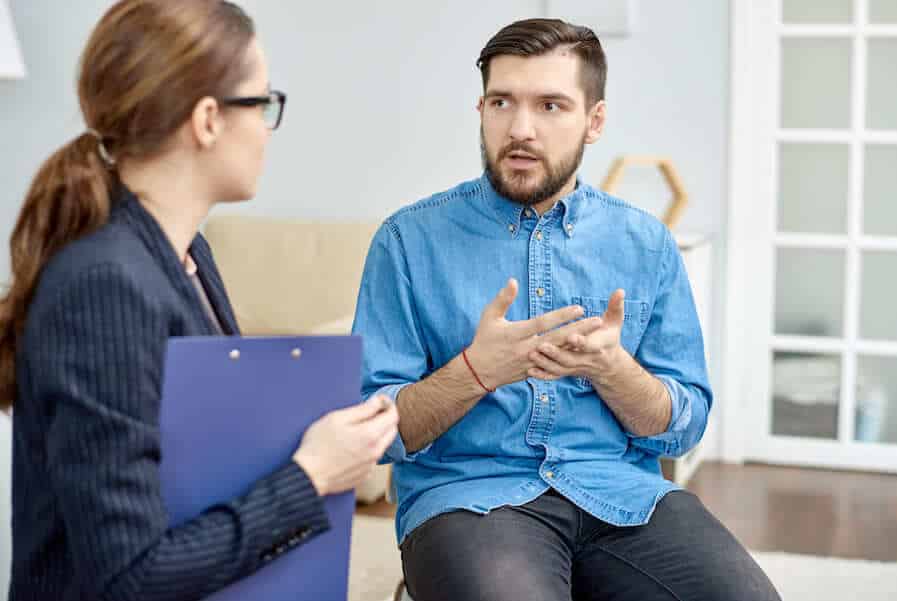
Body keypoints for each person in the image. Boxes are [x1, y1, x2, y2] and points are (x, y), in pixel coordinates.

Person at [353, 18, 780, 601]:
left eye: (550, 106)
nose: (520, 129)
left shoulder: (646, 244)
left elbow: (684, 427)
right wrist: (475, 372)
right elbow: (373, 430)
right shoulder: (407, 241)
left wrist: (613, 371)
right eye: (502, 102)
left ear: (594, 121)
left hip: (620, 495)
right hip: (471, 498)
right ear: (481, 109)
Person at [0, 2, 398, 599]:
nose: (267, 128)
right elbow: (130, 576)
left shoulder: (190, 255)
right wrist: (312, 475)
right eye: (262, 104)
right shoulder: (103, 286)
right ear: (208, 119)